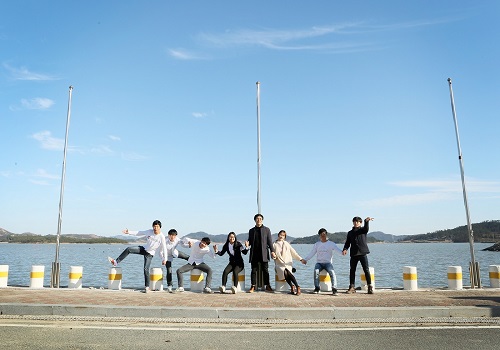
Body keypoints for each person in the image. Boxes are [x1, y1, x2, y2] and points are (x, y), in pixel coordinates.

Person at [107, 219, 167, 293]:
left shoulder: (162, 237)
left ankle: (147, 287)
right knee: (129, 249)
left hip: (150, 254)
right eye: (154, 226)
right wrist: (129, 232)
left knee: (146, 269)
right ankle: (116, 262)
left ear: (160, 227)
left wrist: (164, 259)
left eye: (157, 227)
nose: (155, 228)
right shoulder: (149, 231)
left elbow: (164, 248)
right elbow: (139, 232)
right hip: (143, 249)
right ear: (152, 227)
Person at [301, 228, 343, 295]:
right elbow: (312, 253)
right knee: (316, 272)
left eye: (324, 234)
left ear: (326, 235)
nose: (323, 236)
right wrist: (305, 259)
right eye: (321, 235)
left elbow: (338, 250)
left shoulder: (331, 244)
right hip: (319, 263)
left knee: (332, 272)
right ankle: (317, 288)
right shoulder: (317, 244)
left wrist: (343, 252)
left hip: (328, 263)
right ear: (319, 236)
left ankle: (334, 288)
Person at [342, 216, 374, 294]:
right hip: (354, 254)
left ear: (360, 223)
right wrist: (345, 249)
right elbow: (347, 243)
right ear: (353, 222)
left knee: (366, 270)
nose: (356, 223)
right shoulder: (350, 233)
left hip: (362, 253)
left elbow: (366, 228)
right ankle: (352, 287)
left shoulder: (363, 230)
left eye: (358, 222)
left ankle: (370, 286)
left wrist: (366, 221)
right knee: (352, 270)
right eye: (355, 222)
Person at [247, 213, 276, 293]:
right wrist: (247, 244)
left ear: (262, 220)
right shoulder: (251, 230)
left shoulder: (267, 230)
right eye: (257, 219)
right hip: (254, 253)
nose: (258, 220)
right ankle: (253, 286)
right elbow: (249, 241)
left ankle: (268, 285)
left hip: (264, 253)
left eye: (260, 219)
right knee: (253, 270)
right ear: (255, 220)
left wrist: (272, 251)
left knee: (265, 270)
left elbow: (270, 242)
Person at [273, 230, 303, 295]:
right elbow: (272, 255)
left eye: (283, 235)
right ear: (278, 235)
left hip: (287, 263)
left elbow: (293, 253)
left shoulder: (286, 244)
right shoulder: (274, 244)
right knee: (285, 272)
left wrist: (300, 259)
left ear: (285, 237)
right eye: (280, 235)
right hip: (279, 264)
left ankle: (296, 286)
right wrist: (274, 256)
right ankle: (293, 286)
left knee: (287, 272)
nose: (281, 236)